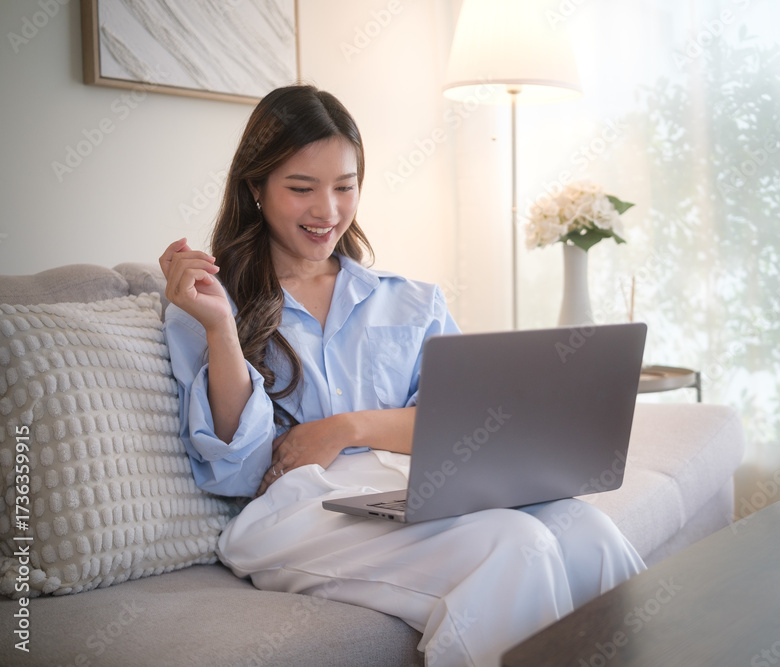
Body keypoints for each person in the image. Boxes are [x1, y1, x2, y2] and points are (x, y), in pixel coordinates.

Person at [160, 84, 645, 667]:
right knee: (515, 545)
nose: (328, 211)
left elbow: (469, 429)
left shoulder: (411, 301)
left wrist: (347, 427)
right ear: (255, 187)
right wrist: (220, 328)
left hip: (406, 490)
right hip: (294, 515)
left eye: (345, 187)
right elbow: (236, 471)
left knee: (587, 530)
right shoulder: (209, 306)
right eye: (301, 188)